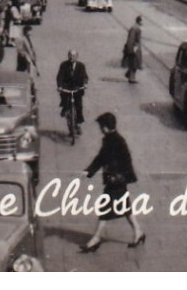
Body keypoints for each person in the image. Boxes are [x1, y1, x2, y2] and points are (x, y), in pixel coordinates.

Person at [79, 113, 144, 252]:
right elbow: (103, 158)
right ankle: (138, 233)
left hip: (115, 181)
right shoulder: (113, 139)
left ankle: (96, 238)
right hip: (119, 180)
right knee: (125, 208)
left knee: (105, 208)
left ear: (106, 127)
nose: (100, 129)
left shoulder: (113, 141)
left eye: (101, 126)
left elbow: (102, 158)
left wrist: (89, 171)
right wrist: (89, 171)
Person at [57, 49, 89, 129]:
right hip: (66, 87)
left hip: (77, 87)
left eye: (74, 56)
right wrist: (60, 86)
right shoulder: (64, 65)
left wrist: (85, 84)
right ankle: (64, 108)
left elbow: (84, 76)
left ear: (77, 57)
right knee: (64, 97)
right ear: (68, 56)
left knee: (79, 105)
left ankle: (78, 123)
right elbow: (60, 76)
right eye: (70, 55)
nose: (72, 57)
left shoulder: (81, 66)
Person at [123, 16, 143, 84]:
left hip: (134, 48)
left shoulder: (135, 28)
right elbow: (132, 39)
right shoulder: (136, 29)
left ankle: (129, 75)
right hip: (134, 49)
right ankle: (131, 78)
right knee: (134, 64)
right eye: (141, 21)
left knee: (134, 63)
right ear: (139, 21)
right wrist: (132, 49)